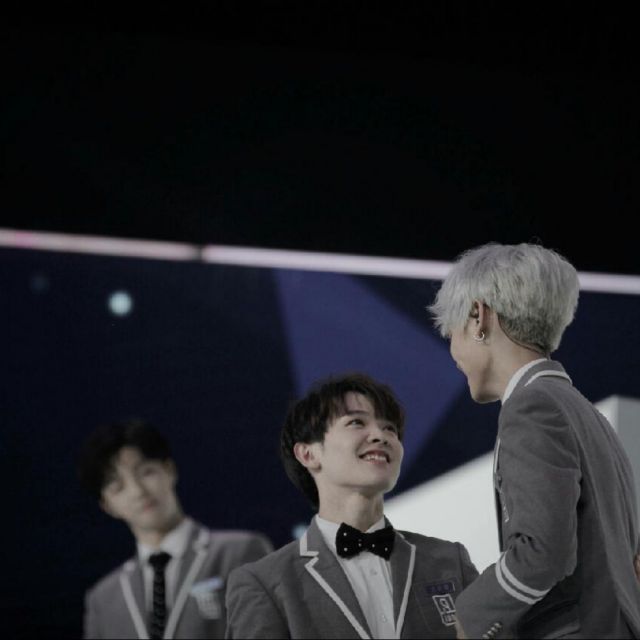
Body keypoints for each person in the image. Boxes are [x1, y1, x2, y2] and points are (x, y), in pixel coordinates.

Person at [429, 241, 640, 638]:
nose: (453, 350)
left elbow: (544, 553)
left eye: (450, 330)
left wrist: (468, 618)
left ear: (478, 316)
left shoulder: (532, 407)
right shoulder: (587, 415)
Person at [225, 372, 479, 639]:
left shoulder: (450, 560)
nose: (381, 436)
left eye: (390, 428)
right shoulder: (264, 583)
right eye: (357, 422)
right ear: (308, 454)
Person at [78, 418, 273, 639]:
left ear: (169, 469)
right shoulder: (103, 599)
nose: (137, 491)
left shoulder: (239, 552)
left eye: (146, 472)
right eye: (118, 487)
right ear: (107, 506)